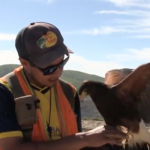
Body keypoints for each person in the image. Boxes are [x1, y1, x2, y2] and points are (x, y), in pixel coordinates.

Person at [0, 22, 128, 150]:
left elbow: (75, 143)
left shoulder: (69, 92)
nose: (58, 72)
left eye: (62, 62)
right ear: (25, 63)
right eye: (49, 68)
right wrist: (85, 138)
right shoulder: (5, 92)